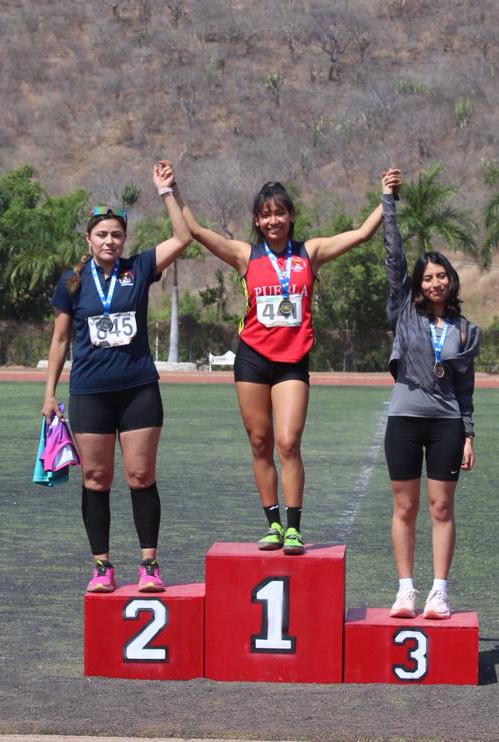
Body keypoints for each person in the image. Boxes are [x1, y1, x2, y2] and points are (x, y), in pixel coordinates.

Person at [181, 176, 387, 554]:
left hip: (292, 361)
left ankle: (294, 527)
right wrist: (170, 189)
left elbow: (360, 234)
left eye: (279, 213)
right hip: (252, 359)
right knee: (260, 443)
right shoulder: (246, 256)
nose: (273, 220)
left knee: (288, 442)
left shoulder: (310, 253)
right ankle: (272, 524)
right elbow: (194, 230)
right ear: (257, 221)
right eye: (265, 214)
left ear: (291, 216)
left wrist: (387, 197)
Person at [42, 160, 191, 594]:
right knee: (95, 480)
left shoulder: (139, 268)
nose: (110, 241)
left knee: (141, 476)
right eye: (102, 234)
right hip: (90, 393)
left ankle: (150, 565)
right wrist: (50, 393)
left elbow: (184, 237)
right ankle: (103, 566)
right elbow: (59, 341)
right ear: (88, 238)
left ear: (125, 239)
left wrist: (167, 191)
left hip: (138, 391)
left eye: (117, 234)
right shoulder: (71, 281)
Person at [379, 168, 480, 620]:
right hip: (405, 419)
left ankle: (439, 592)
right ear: (417, 285)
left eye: (441, 276)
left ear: (450, 281)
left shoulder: (464, 329)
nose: (435, 283)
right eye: (427, 278)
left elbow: (465, 386)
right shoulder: (404, 313)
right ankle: (405, 590)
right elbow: (394, 257)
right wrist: (388, 203)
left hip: (446, 424)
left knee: (441, 506)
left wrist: (469, 433)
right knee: (405, 505)